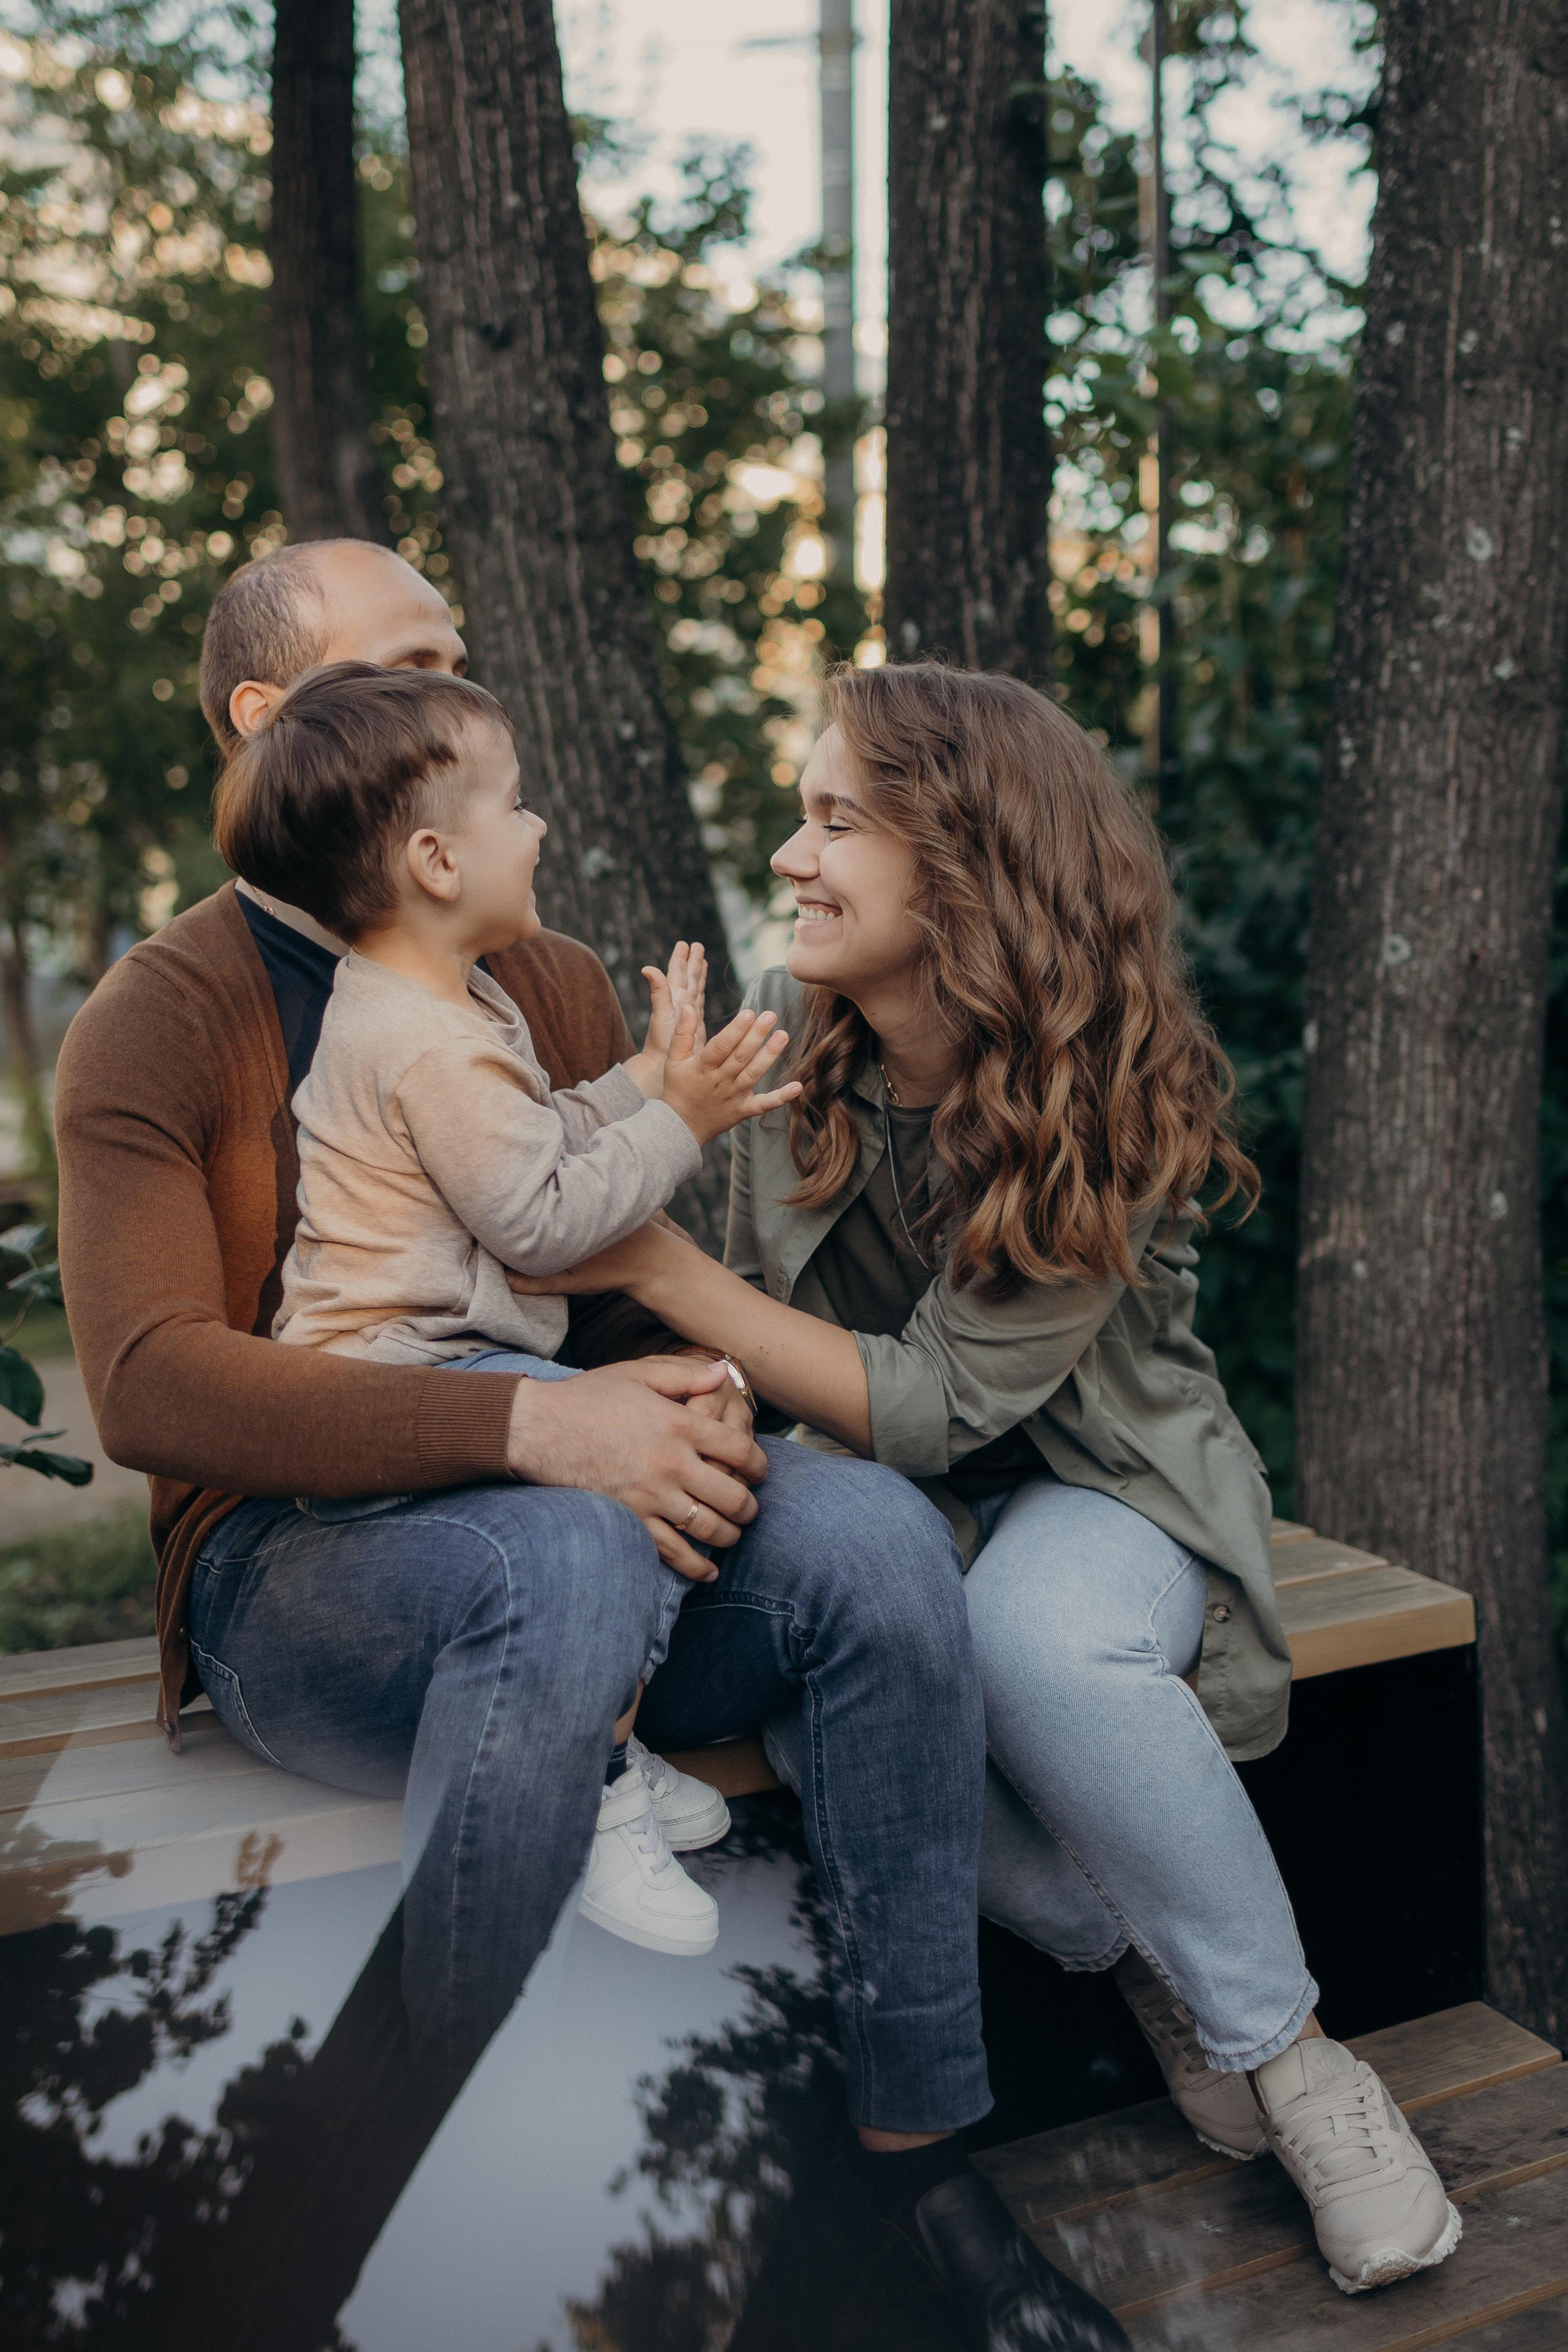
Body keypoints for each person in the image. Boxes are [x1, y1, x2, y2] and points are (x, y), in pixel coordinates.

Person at [51, 543, 1134, 2352]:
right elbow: (157, 1385)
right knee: (555, 1546)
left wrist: (690, 1408)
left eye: (459, 661)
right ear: (273, 725)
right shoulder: (163, 1018)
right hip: (297, 1578)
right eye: (411, 667)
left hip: (579, 1542)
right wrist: (531, 1433)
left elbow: (604, 1298)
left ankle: (920, 2167)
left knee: (865, 1536)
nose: (473, 704)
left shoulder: (530, 976)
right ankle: (326, 2230)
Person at [523, 661, 1463, 2301]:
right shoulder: (810, 1070)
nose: (792, 861)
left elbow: (941, 1401)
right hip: (916, 1508)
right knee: (840, 1701)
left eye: (835, 824)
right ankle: (1156, 1964)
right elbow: (796, 1349)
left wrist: (662, 1271)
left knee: (1033, 1637)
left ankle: (1305, 2066)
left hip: (1116, 1493)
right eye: (801, 821)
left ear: (961, 863)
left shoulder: (1089, 1083)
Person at [217, 656, 802, 1955]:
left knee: (678, 1423)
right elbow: (539, 1221)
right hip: (404, 1372)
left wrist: (644, 1083)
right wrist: (683, 1124)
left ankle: (604, 1728)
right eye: (516, 804)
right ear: (435, 859)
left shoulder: (447, 1006)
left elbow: (528, 1141)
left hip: (455, 1360)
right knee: (637, 1463)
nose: (538, 826)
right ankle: (590, 1781)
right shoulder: (424, 1038)